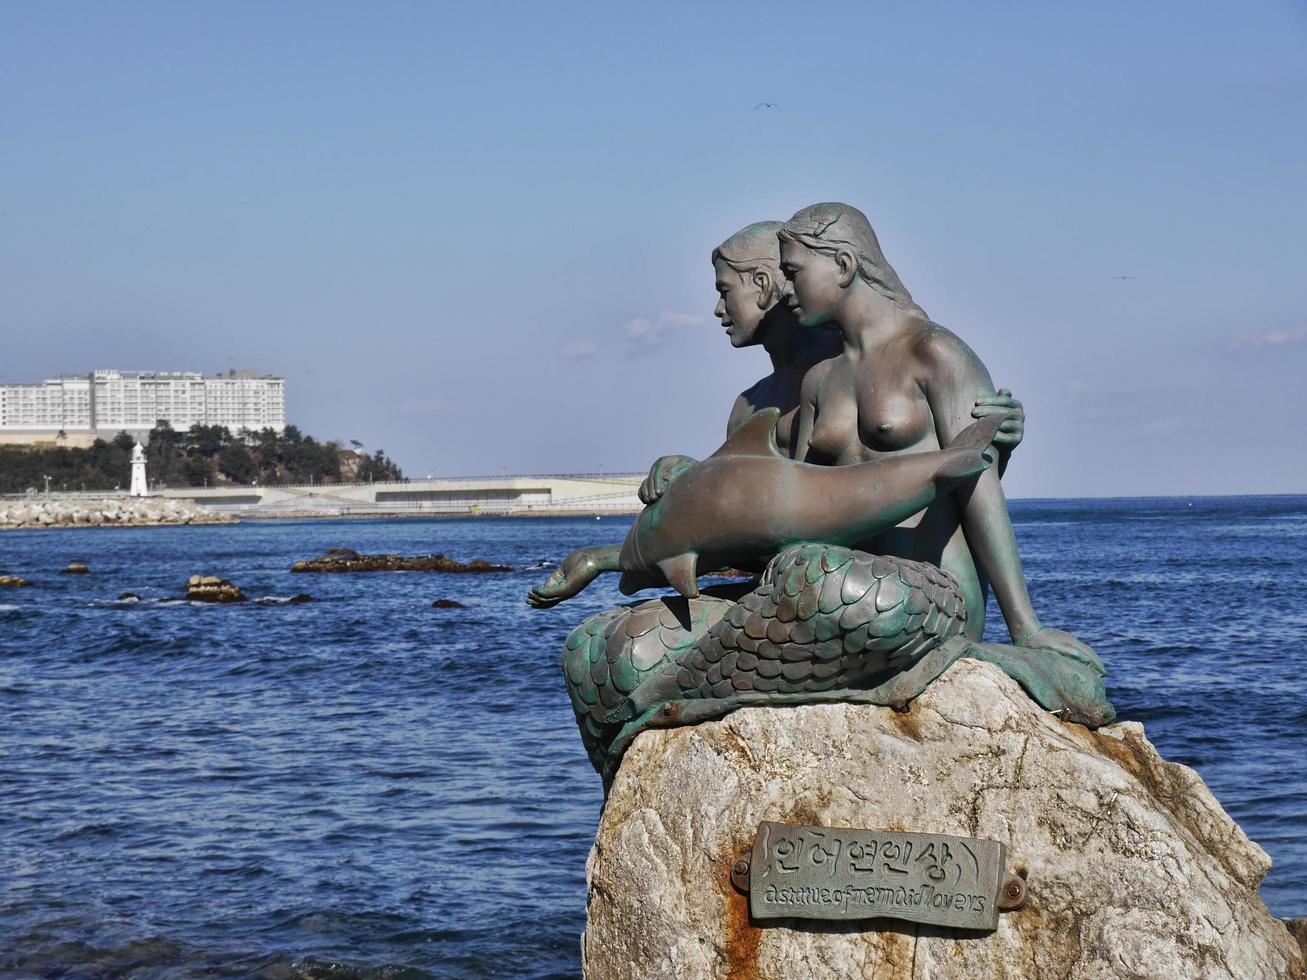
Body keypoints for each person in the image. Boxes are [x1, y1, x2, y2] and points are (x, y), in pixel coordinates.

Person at [526, 219, 1025, 607]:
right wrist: (690, 485)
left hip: (892, 588)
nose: (717, 310)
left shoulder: (895, 359)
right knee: (620, 641)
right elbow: (760, 536)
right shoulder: (758, 403)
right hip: (811, 581)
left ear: (765, 282)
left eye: (725, 291)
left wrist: (996, 438)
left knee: (815, 593)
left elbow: (967, 478)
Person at [780, 202, 1090, 659]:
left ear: (844, 265)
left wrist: (1025, 628)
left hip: (933, 591)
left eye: (794, 272)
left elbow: (979, 490)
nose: (787, 289)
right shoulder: (820, 380)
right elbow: (799, 508)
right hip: (845, 587)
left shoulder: (935, 353)